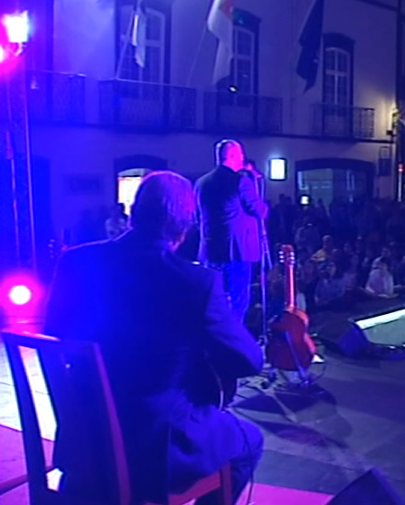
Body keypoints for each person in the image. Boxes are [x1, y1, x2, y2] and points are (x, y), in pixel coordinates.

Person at [44, 171, 264, 505]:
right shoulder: (196, 282)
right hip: (154, 446)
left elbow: (55, 329)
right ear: (186, 226)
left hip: (82, 433)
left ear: (134, 212)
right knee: (249, 439)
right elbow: (249, 360)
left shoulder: (75, 261)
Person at [195, 140, 269, 323]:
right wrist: (253, 179)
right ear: (235, 156)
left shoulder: (201, 183)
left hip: (210, 252)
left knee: (214, 302)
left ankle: (214, 344)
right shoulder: (241, 181)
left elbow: (197, 217)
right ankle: (233, 345)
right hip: (237, 252)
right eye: (241, 155)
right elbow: (260, 211)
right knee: (237, 303)